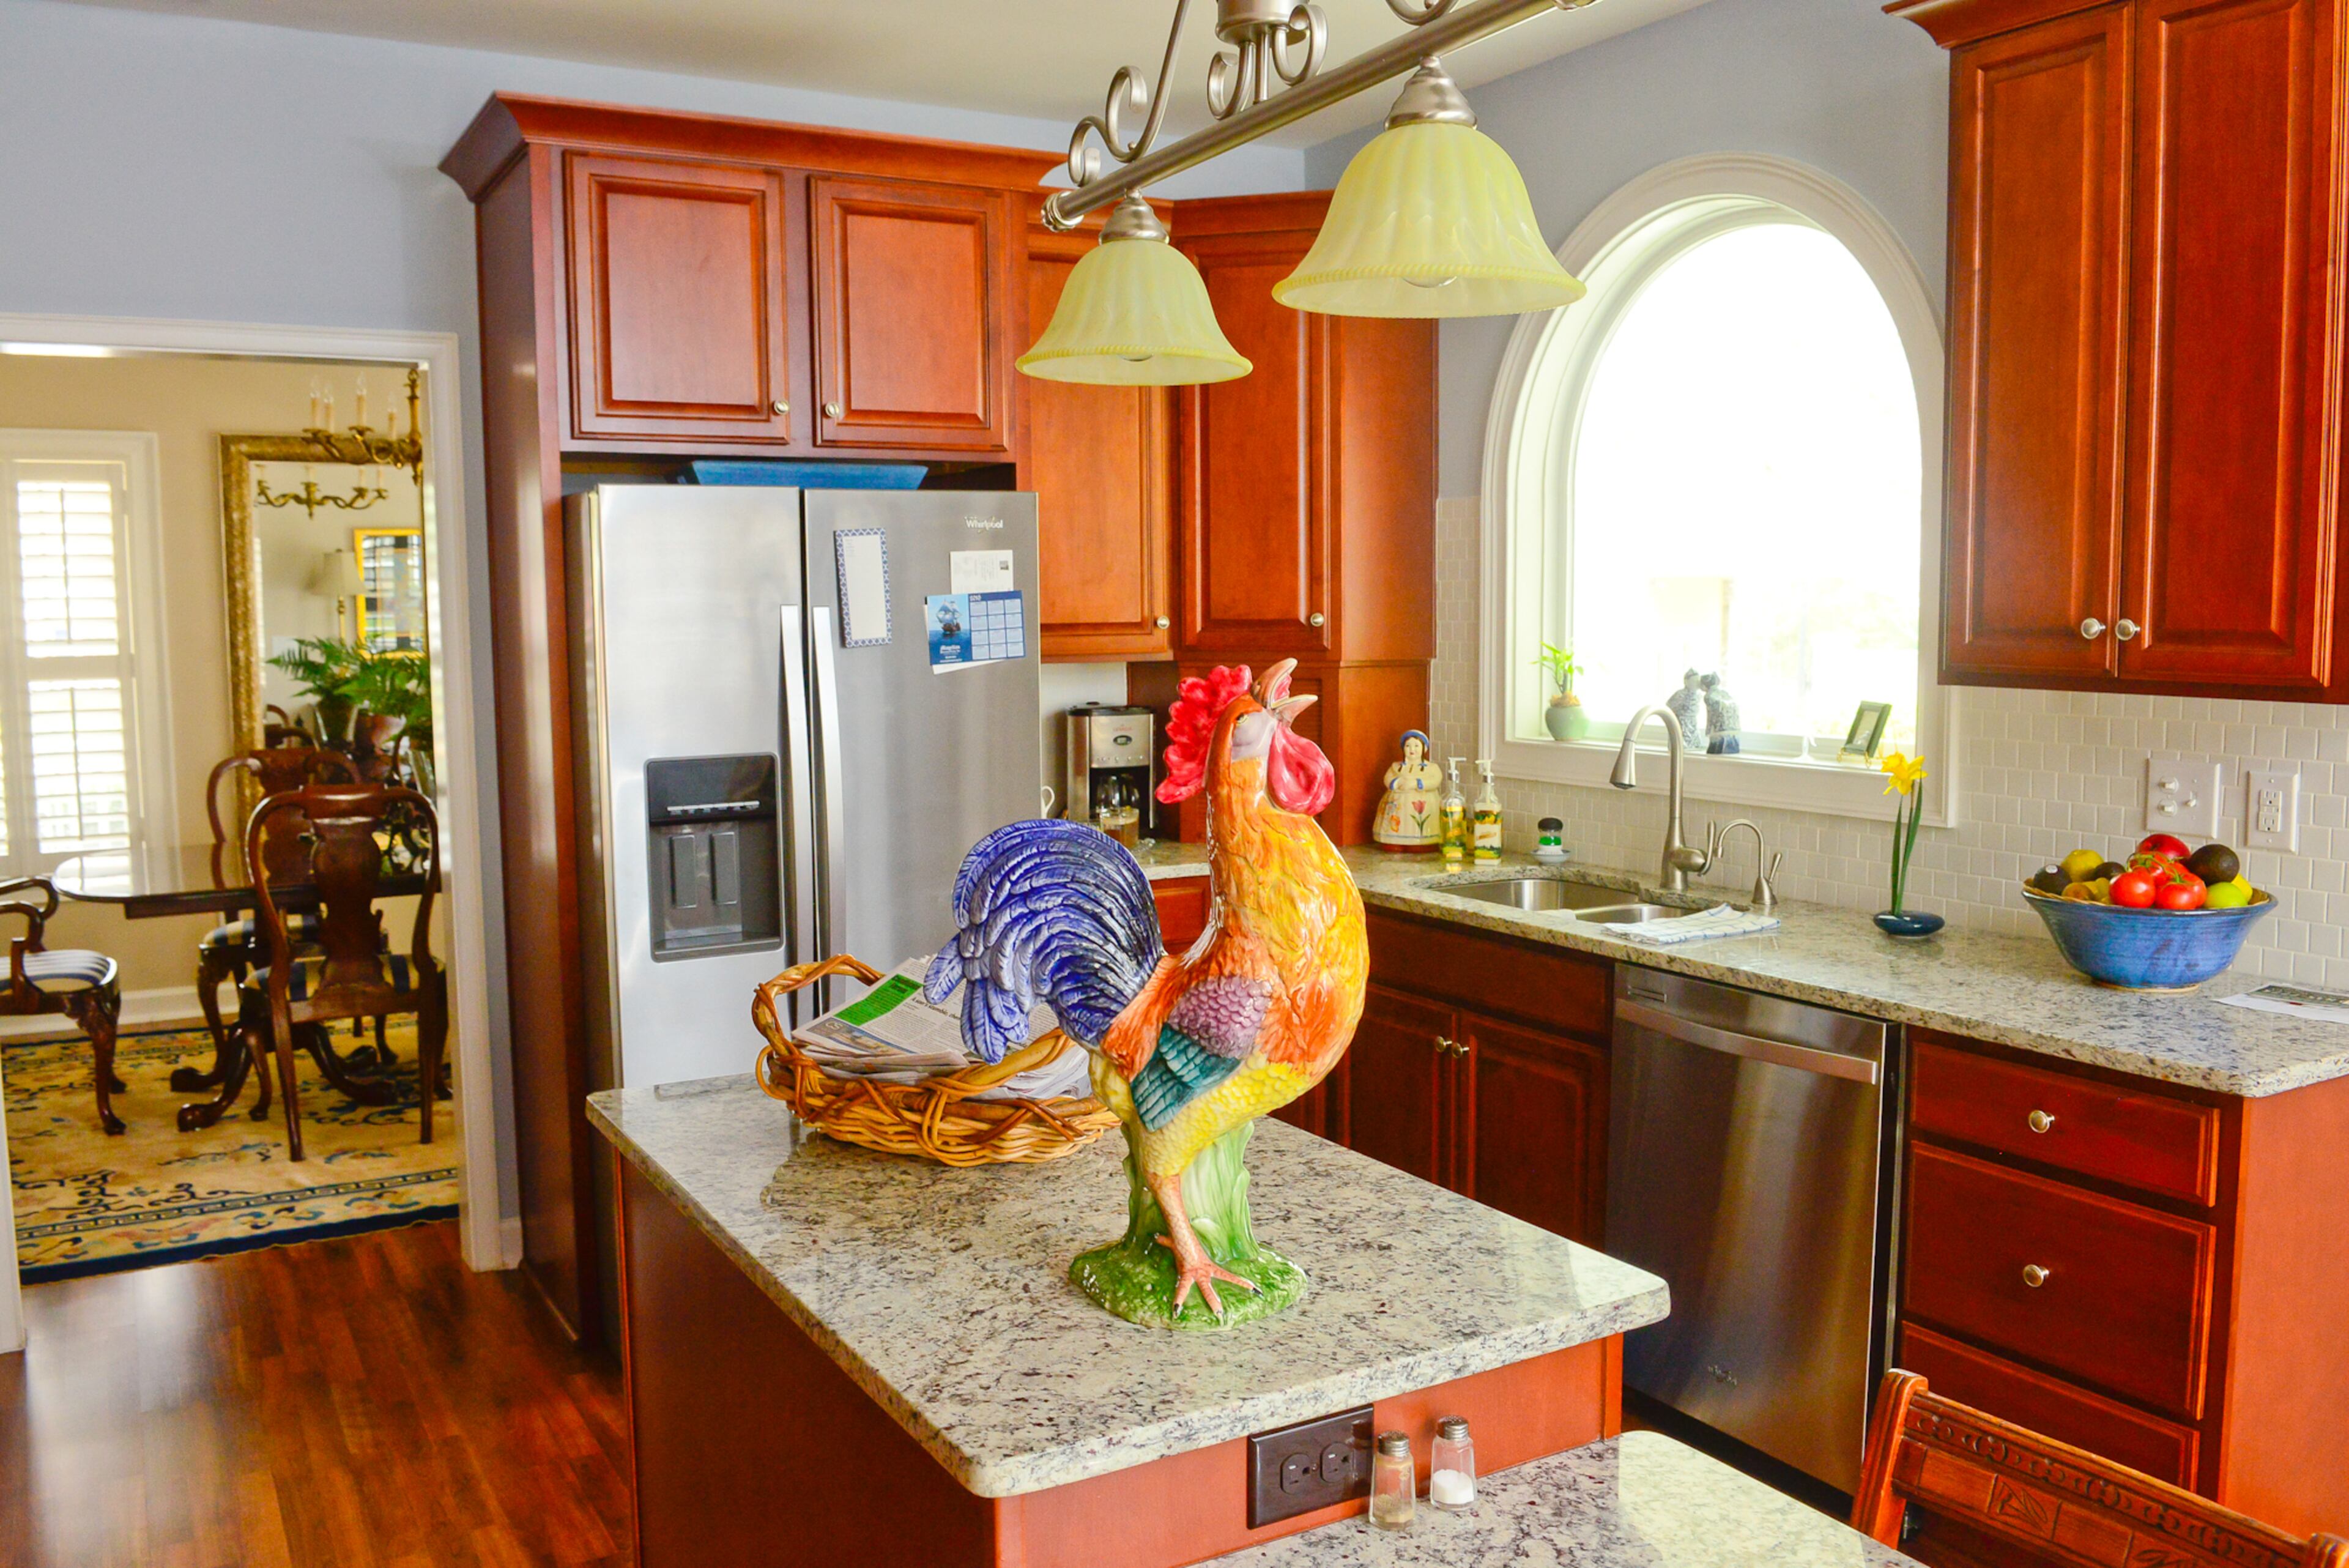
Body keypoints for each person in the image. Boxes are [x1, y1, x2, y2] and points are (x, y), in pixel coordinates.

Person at [1375, 730, 1442, 851]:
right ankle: (1393, 840)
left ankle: (1423, 842)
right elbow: (1387, 779)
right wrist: (1398, 782)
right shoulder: (1396, 767)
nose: (1412, 749)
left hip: (1424, 803)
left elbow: (1436, 780)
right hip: (1398, 805)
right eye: (1408, 746)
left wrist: (1417, 783)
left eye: (1416, 746)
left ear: (1424, 749)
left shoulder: (1432, 768)